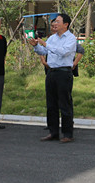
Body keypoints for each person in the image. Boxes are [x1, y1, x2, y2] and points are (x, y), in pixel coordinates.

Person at [29, 13, 77, 143]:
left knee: (65, 103)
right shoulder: (52, 38)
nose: (55, 24)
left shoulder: (71, 38)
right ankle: (53, 132)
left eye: (57, 21)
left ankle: (68, 133)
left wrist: (46, 45)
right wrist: (36, 46)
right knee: (51, 104)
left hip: (64, 73)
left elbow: (63, 52)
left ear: (65, 24)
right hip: (51, 72)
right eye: (54, 22)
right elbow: (43, 52)